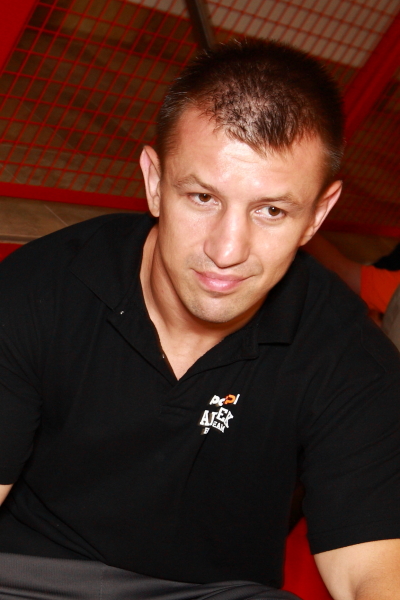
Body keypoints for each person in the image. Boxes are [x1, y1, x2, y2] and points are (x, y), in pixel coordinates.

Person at [0, 39, 399, 600]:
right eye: (202, 197)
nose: (227, 250)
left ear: (318, 214)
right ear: (154, 182)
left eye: (271, 210)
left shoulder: (351, 357)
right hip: (25, 574)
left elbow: (375, 570)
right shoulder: (38, 288)